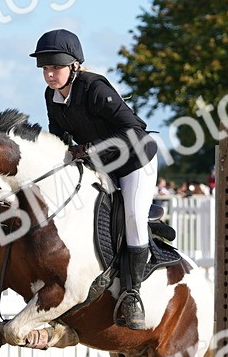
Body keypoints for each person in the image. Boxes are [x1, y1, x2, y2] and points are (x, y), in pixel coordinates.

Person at [31, 28, 160, 329]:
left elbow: (134, 130)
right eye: (46, 68)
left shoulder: (94, 88)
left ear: (74, 66)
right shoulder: (52, 95)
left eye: (56, 68)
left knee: (131, 217)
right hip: (101, 164)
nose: (50, 75)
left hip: (134, 161)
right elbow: (59, 137)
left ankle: (132, 294)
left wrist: (89, 148)